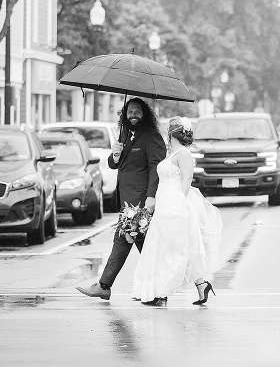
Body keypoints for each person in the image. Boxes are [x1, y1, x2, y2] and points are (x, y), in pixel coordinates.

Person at [77, 98, 166, 300]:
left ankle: (104, 286)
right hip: (127, 201)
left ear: (145, 115)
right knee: (144, 246)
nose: (133, 115)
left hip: (140, 202)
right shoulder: (124, 135)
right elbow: (113, 165)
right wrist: (115, 156)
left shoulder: (151, 137)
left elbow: (156, 168)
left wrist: (151, 196)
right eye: (130, 111)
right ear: (124, 114)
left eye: (137, 112)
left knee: (123, 242)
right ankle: (159, 290)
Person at [131, 116, 223, 306]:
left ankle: (162, 292)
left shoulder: (183, 154)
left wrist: (179, 201)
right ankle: (201, 285)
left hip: (175, 205)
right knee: (168, 247)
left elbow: (187, 179)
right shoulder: (170, 154)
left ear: (171, 132)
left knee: (173, 249)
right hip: (164, 203)